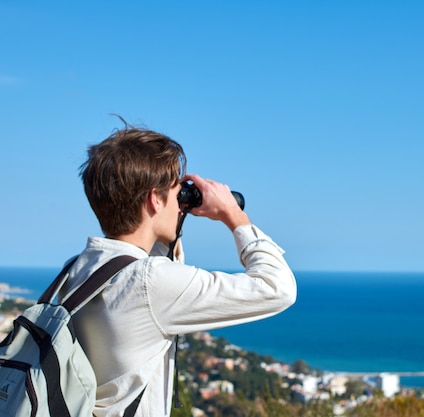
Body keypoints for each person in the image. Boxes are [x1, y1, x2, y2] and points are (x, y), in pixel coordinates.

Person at [59, 125, 297, 417]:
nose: (180, 201)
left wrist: (170, 222)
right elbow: (278, 288)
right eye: (176, 192)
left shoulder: (78, 268)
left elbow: (151, 275)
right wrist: (234, 216)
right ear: (154, 200)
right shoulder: (149, 284)